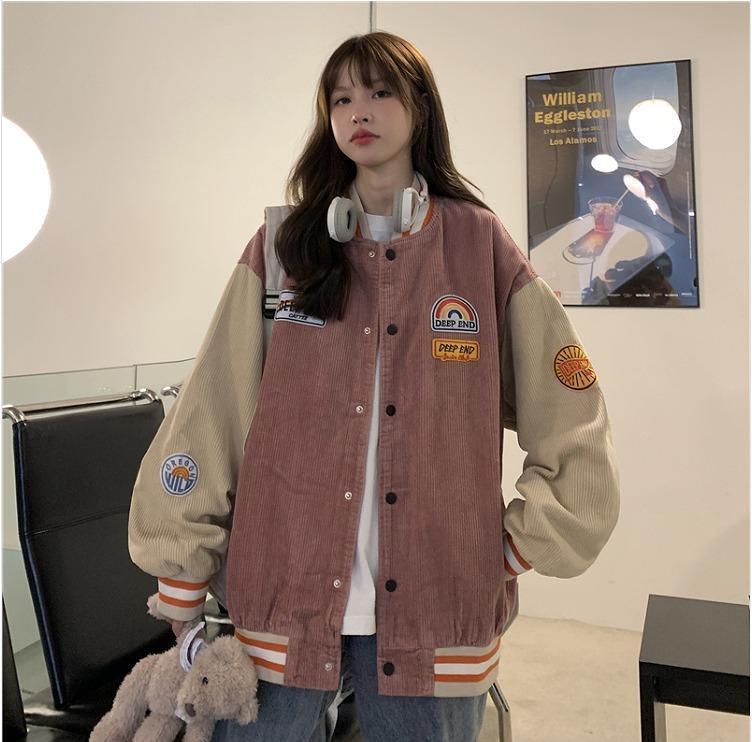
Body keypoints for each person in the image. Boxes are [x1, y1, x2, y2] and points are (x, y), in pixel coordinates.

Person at [128, 31, 620, 742]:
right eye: (341, 98)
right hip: (283, 601)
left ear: (419, 106)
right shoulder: (284, 248)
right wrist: (181, 566)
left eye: (380, 91)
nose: (359, 110)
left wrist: (511, 549)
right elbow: (212, 409)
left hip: (437, 615)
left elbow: (572, 414)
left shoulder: (480, 247)